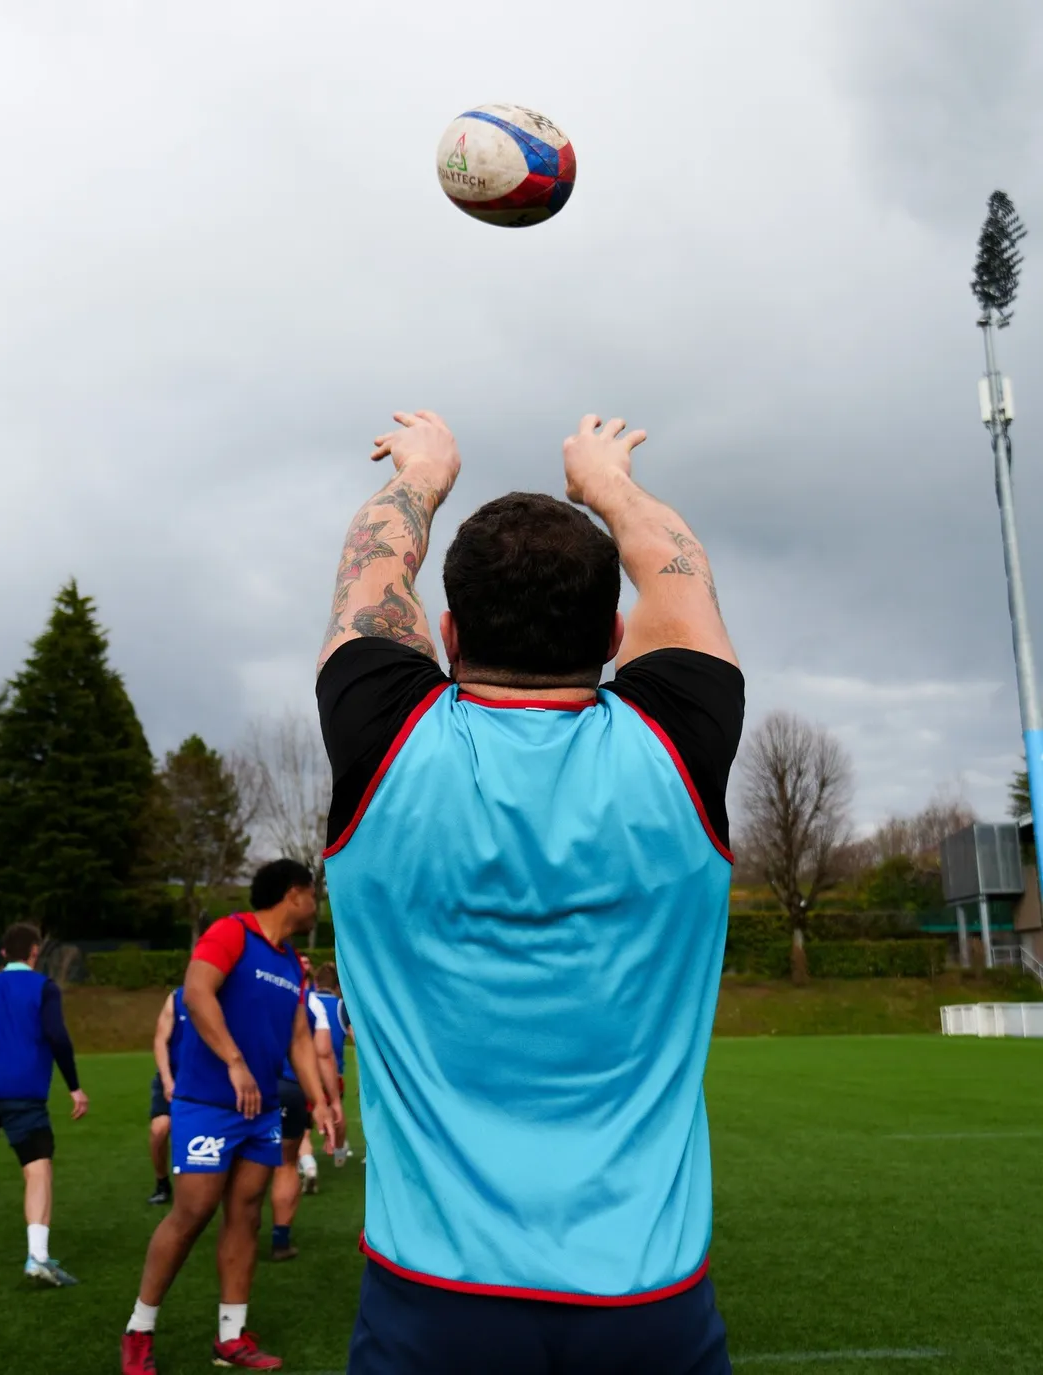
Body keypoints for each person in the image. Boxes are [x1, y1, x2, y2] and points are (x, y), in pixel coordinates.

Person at [317, 411, 744, 1375]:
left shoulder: (381, 734)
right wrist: (609, 482)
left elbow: (368, 570)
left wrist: (422, 474)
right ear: (616, 636)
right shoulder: (683, 740)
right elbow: (680, 577)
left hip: (431, 1308)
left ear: (448, 634)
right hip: (650, 1309)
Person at [121, 860, 336, 1375]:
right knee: (193, 1211)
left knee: (246, 1213)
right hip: (208, 1103)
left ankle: (231, 1337)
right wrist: (235, 1061)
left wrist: (322, 1102)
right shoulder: (231, 932)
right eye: (313, 894)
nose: (317, 905)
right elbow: (196, 993)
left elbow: (299, 1038)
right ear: (294, 893)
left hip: (261, 1110)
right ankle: (139, 1330)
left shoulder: (292, 963)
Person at [0, 922, 89, 1286]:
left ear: (4, 953)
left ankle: (38, 1257)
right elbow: (57, 1036)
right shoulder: (43, 987)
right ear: (35, 952)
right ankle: (38, 1258)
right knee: (37, 1168)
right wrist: (74, 1087)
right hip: (22, 1094)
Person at [268, 982, 344, 1260]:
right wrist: (332, 1101)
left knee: (247, 1164)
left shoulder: (246, 986)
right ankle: (280, 1239)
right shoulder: (308, 1001)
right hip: (291, 1086)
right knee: (286, 1163)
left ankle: (239, 1234)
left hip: (249, 1084)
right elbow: (323, 1052)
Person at [146, 983, 189, 1205]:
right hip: (173, 1075)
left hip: (204, 1079)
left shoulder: (225, 998)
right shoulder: (177, 998)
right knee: (159, 1129)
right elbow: (161, 1040)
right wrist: (167, 1080)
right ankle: (162, 1182)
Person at [311, 963, 352, 1165]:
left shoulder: (306, 1001)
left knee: (304, 1119)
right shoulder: (341, 1006)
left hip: (304, 1073)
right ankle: (339, 1153)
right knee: (337, 1113)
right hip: (333, 1074)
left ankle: (305, 1158)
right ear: (337, 986)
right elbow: (355, 1037)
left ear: (316, 983)